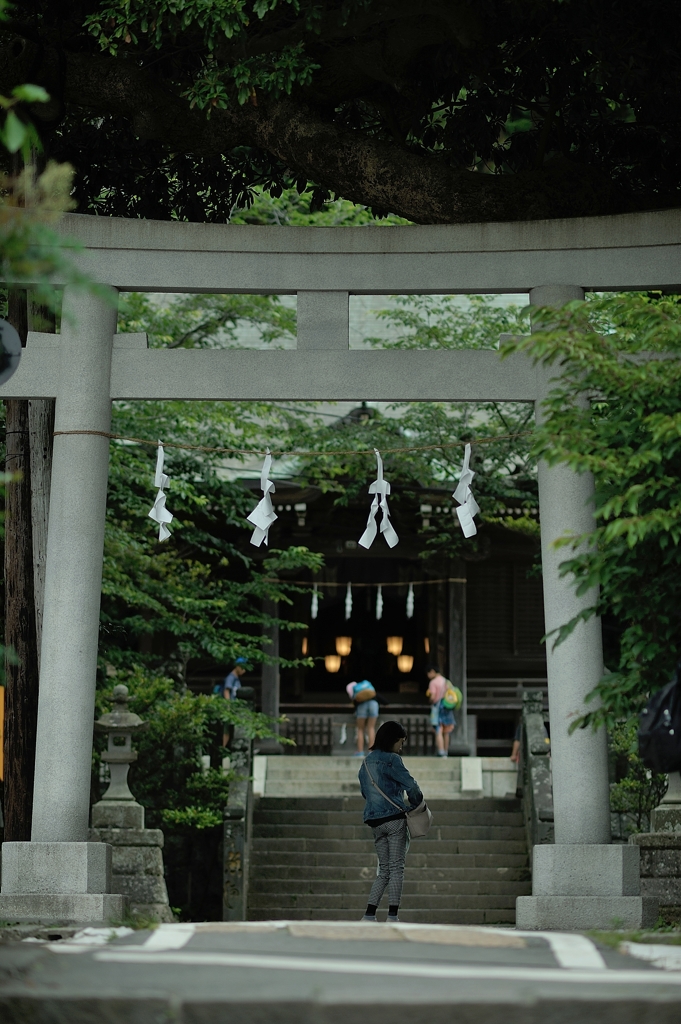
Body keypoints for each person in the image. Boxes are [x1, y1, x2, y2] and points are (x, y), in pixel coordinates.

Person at [358, 721, 423, 923]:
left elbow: (364, 791)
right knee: (396, 868)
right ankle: (392, 915)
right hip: (395, 820)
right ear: (393, 740)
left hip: (375, 822)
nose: (401, 747)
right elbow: (411, 786)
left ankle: (369, 914)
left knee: (383, 870)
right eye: (400, 742)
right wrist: (416, 803)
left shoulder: (367, 762)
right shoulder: (393, 760)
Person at [426, 665, 455, 758]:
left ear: (432, 671)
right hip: (447, 707)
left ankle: (441, 751)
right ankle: (446, 751)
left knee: (438, 729)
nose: (428, 675)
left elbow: (433, 696)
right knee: (446, 731)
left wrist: (429, 700)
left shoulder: (433, 682)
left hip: (438, 707)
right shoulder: (446, 681)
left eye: (428, 673)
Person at [346, 680, 379, 757]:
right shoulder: (368, 688)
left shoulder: (355, 690)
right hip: (373, 704)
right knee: (371, 728)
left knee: (360, 729)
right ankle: (371, 751)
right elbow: (378, 696)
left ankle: (360, 752)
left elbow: (355, 702)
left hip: (362, 706)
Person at [221, 658, 247, 746]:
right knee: (226, 730)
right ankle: (222, 749)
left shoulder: (236, 679)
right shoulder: (230, 678)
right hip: (229, 707)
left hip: (234, 708)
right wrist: (228, 705)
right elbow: (226, 691)